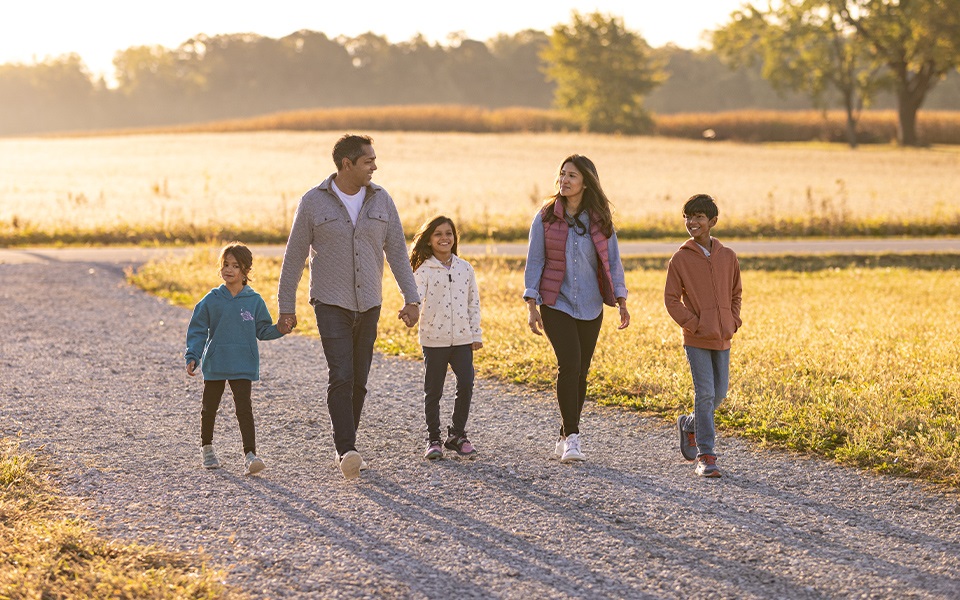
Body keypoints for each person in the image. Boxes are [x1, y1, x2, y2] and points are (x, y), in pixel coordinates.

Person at [277, 133, 420, 481]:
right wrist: (286, 306)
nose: (375, 166)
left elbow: (398, 252)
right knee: (341, 374)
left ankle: (349, 444)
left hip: (370, 301)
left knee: (359, 378)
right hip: (330, 301)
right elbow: (294, 256)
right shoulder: (313, 202)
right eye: (368, 160)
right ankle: (346, 449)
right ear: (347, 164)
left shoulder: (382, 200)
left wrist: (412, 297)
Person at [523, 154, 630, 464]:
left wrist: (621, 301)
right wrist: (532, 305)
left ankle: (564, 433)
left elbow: (612, 262)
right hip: (556, 301)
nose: (564, 180)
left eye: (571, 176)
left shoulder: (600, 219)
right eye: (562, 174)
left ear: (586, 182)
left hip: (591, 304)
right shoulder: (545, 217)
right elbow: (535, 262)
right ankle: (573, 437)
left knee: (581, 371)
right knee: (569, 365)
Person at [185, 242, 290, 475]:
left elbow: (263, 330)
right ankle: (207, 448)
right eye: (225, 265)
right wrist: (193, 355)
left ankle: (250, 455)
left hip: (243, 362)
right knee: (209, 408)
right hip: (216, 362)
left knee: (244, 408)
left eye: (235, 265)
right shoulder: (211, 299)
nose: (228, 270)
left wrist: (280, 329)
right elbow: (198, 329)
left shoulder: (254, 301)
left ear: (246, 271)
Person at [664, 193, 742, 478]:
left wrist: (733, 320)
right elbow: (671, 299)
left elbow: (736, 293)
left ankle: (689, 423)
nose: (692, 222)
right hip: (696, 338)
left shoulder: (728, 257)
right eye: (688, 217)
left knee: (719, 393)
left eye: (698, 217)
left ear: (712, 221)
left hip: (722, 336)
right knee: (705, 392)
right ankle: (705, 456)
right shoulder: (680, 259)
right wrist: (693, 323)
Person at [409, 215, 483, 460]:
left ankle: (457, 435)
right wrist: (410, 310)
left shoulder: (465, 268)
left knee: (466, 383)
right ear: (429, 240)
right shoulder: (424, 270)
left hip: (462, 338)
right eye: (438, 234)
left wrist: (475, 334)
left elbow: (473, 303)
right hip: (434, 339)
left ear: (454, 238)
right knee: (434, 390)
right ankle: (433, 438)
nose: (444, 238)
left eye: (448, 233)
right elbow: (415, 298)